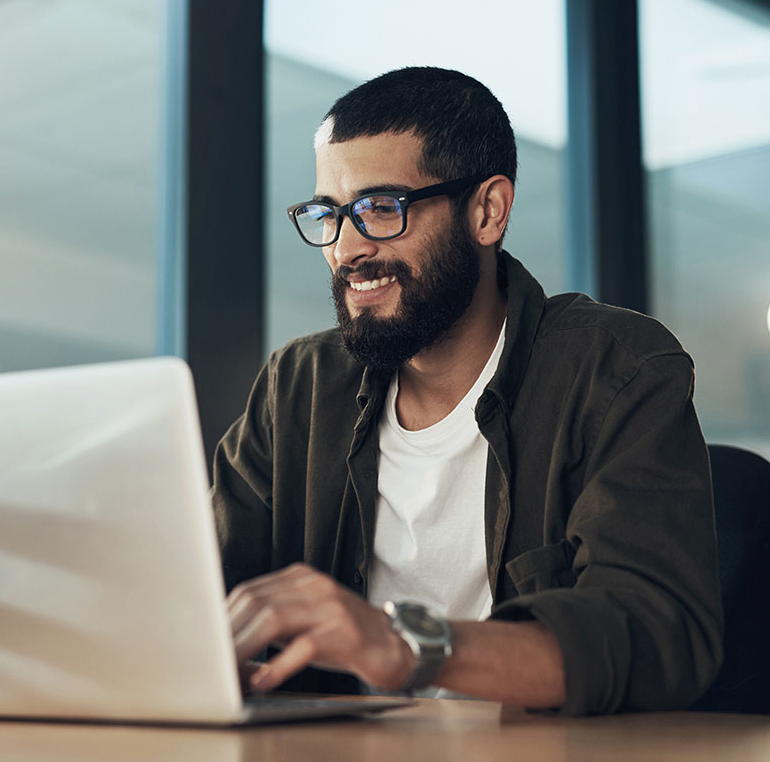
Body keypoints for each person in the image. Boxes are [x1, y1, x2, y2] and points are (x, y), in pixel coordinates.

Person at [213, 67, 723, 715]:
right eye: (329, 214)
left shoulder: (616, 369)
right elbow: (198, 590)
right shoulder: (299, 388)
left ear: (487, 211)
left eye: (380, 208)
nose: (344, 249)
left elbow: (657, 632)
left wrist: (408, 645)